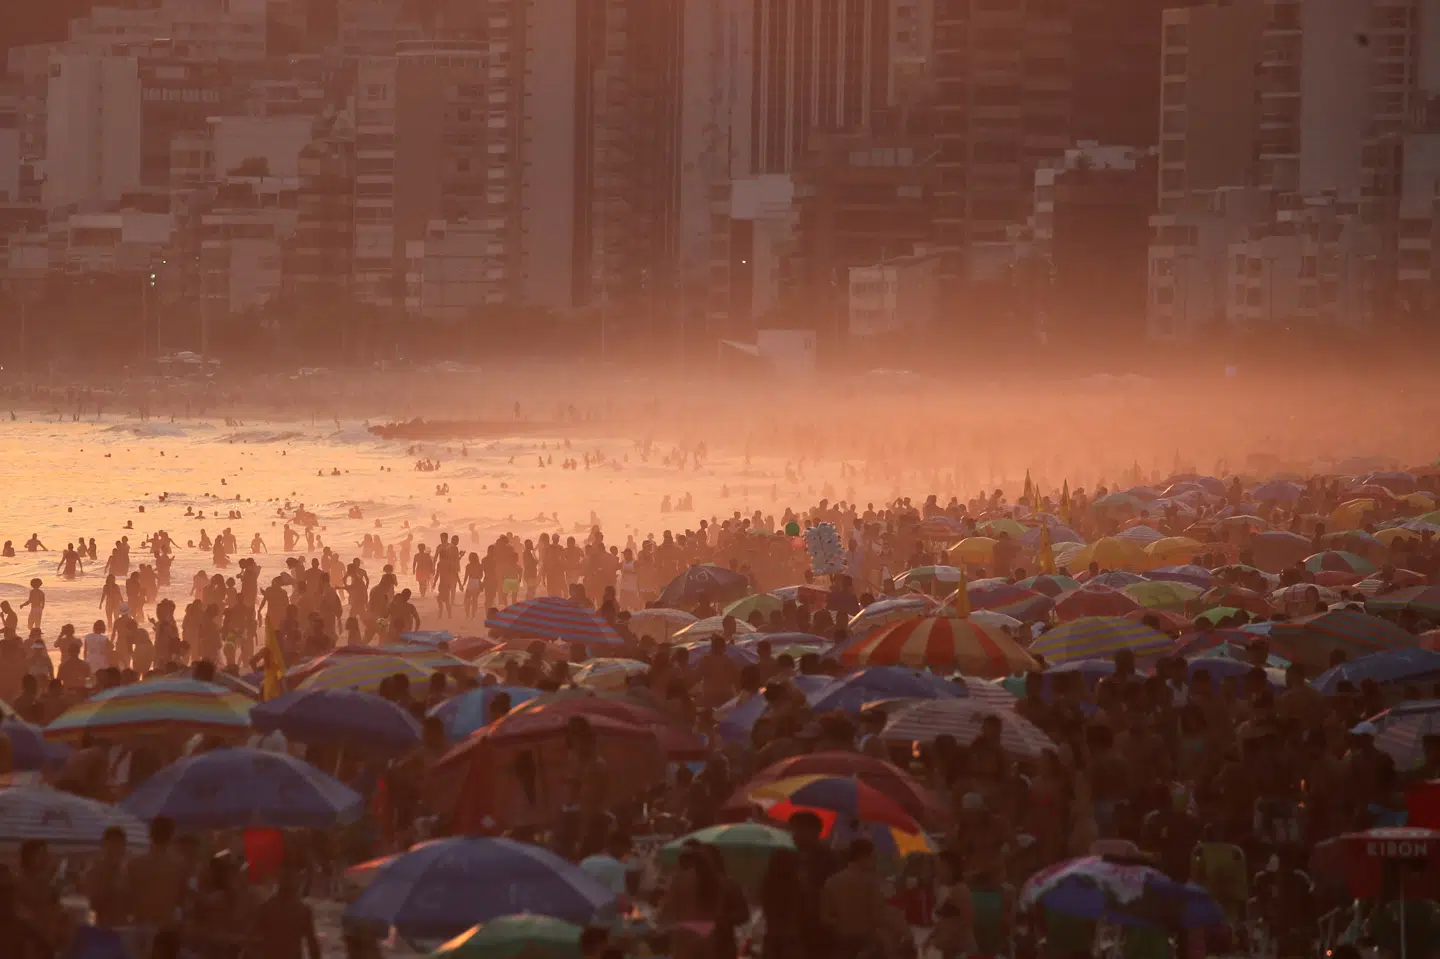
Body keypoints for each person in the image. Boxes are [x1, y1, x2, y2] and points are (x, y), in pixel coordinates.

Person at [820, 839, 909, 959]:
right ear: (864, 857)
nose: (875, 861)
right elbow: (878, 917)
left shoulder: (831, 882)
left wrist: (842, 924)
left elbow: (825, 917)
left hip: (841, 942)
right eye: (873, 857)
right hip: (867, 943)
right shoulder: (870, 882)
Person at [250, 867, 320, 959]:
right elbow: (312, 945)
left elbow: (252, 940)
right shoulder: (303, 910)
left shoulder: (266, 908)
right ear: (296, 885)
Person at [84, 826, 130, 929]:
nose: (116, 849)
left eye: (120, 845)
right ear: (104, 846)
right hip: (102, 928)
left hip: (123, 928)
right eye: (113, 845)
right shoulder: (94, 872)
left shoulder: (126, 873)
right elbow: (92, 904)